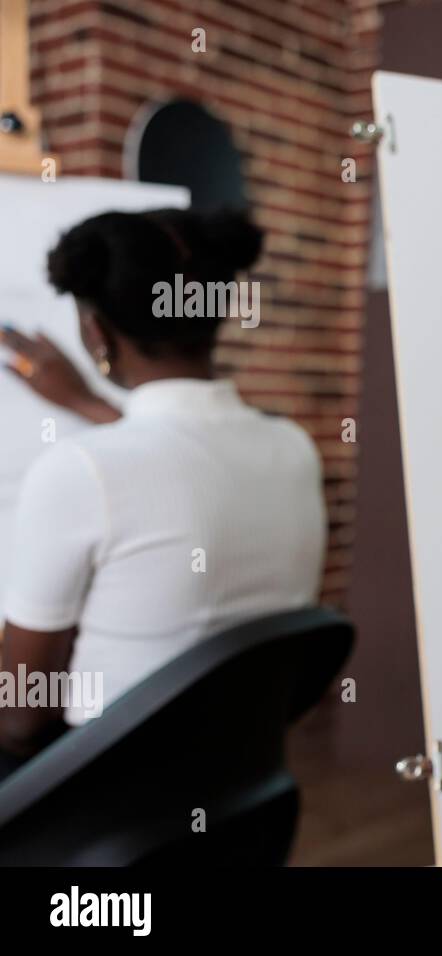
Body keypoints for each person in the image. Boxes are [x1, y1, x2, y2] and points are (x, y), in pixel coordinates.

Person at [0, 207, 325, 777]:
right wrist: (82, 404)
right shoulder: (293, 448)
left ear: (95, 333)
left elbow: (20, 719)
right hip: (231, 793)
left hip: (99, 800)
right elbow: (180, 459)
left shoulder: (78, 471)